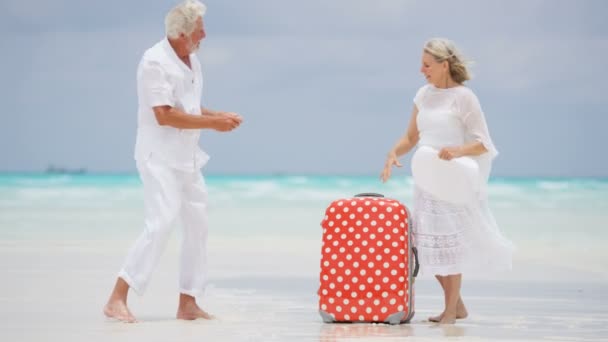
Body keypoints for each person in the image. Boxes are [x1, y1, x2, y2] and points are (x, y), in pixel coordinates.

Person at [103, 0, 243, 323]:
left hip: (187, 158)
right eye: (199, 30)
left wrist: (217, 115)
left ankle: (188, 302)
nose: (204, 35)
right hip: (158, 158)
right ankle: (117, 296)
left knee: (198, 224)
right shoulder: (154, 61)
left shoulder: (192, 60)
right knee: (162, 221)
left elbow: (190, 106)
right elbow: (164, 115)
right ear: (181, 33)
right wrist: (213, 125)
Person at [380, 38, 513, 324]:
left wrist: (457, 151)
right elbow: (411, 138)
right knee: (428, 247)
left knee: (450, 247)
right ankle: (458, 306)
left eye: (427, 65)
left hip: (453, 180)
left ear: (444, 65)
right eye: (421, 64)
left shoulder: (464, 97)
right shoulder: (423, 96)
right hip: (427, 180)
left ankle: (450, 312)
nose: (421, 70)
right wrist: (393, 152)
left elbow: (483, 143)